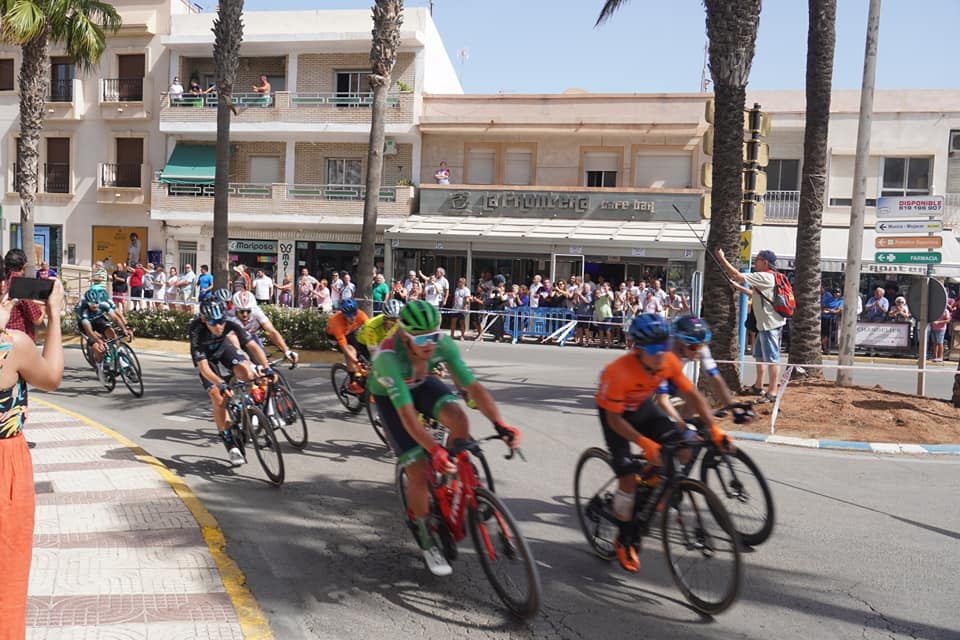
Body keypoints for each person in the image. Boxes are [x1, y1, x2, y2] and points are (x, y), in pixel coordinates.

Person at [368, 300, 520, 576]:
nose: (429, 344)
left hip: (422, 382)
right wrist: (433, 450)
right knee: (418, 469)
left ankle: (449, 481)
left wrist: (500, 424)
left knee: (460, 419)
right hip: (391, 397)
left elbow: (472, 386)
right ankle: (426, 537)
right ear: (404, 334)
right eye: (421, 338)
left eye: (434, 335)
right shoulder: (388, 358)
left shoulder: (442, 344)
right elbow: (407, 418)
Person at [595, 313, 727, 573]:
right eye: (652, 352)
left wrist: (714, 427)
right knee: (628, 479)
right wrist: (644, 443)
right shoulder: (618, 372)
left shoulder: (667, 361)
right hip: (616, 417)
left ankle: (654, 488)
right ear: (637, 349)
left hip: (642, 408)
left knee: (685, 448)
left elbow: (694, 396)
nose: (658, 357)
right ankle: (623, 539)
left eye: (661, 349)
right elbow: (615, 421)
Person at [0, 276, 64, 640]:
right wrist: (54, 316)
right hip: (5, 463)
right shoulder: (12, 346)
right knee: (5, 575)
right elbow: (52, 376)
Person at [189, 300, 274, 467]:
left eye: (221, 320)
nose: (219, 326)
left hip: (223, 349)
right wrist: (221, 384)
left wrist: (266, 368)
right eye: (214, 322)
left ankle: (251, 410)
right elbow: (204, 368)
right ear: (205, 320)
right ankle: (230, 444)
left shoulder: (229, 324)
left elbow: (253, 346)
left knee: (246, 371)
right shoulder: (196, 331)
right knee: (218, 397)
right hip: (207, 358)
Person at [716, 248, 786, 403]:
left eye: (758, 260)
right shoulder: (770, 278)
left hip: (770, 325)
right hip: (764, 325)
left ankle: (773, 392)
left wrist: (722, 258)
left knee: (772, 359)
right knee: (760, 356)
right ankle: (758, 386)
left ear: (765, 262)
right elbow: (754, 295)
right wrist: (739, 288)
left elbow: (737, 275)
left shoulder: (765, 276)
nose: (755, 263)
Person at [655, 316, 743, 423]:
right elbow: (662, 399)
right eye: (693, 347)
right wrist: (682, 426)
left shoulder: (699, 346)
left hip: (671, 377)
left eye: (701, 346)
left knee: (695, 401)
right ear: (679, 342)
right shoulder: (664, 352)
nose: (698, 351)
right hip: (648, 379)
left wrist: (733, 409)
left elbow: (716, 379)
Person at [76, 287, 133, 382]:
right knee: (98, 348)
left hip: (98, 319)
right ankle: (100, 368)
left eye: (97, 303)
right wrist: (99, 341)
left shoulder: (103, 304)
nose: (95, 306)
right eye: (92, 304)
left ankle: (121, 360)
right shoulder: (83, 310)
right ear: (87, 302)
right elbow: (89, 331)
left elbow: (115, 318)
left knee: (112, 334)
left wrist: (124, 329)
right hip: (86, 324)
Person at [229, 289, 298, 364]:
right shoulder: (230, 317)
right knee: (243, 363)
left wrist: (286, 350)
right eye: (241, 311)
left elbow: (272, 332)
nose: (245, 315)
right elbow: (235, 345)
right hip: (232, 340)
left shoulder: (256, 312)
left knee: (263, 361)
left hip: (249, 337)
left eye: (248, 311)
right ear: (235, 309)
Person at [325, 298, 370, 394]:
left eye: (354, 314)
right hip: (334, 336)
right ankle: (353, 380)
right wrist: (356, 361)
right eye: (349, 316)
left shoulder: (361, 315)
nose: (353, 318)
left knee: (362, 351)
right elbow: (344, 347)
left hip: (349, 332)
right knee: (350, 351)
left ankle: (361, 376)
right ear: (343, 315)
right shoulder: (335, 322)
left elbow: (371, 329)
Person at [4, 249, 44, 342]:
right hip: (20, 342)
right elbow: (37, 319)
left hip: (3, 342)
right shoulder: (22, 285)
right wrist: (44, 306)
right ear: (24, 266)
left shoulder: (4, 283)